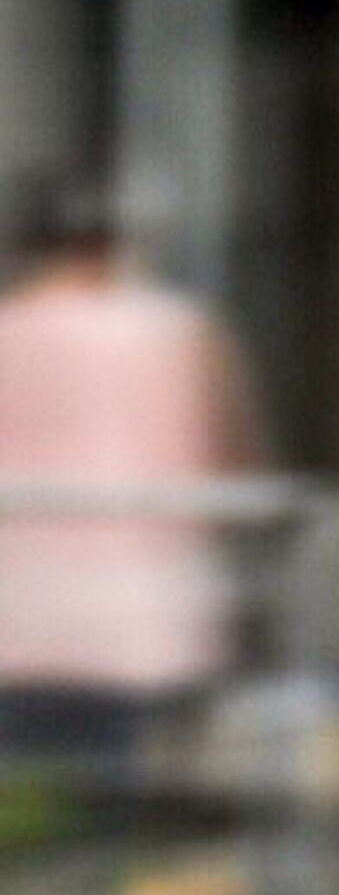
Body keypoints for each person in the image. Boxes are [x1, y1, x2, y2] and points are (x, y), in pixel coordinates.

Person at [0, 169, 264, 765]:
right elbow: (230, 469)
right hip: (144, 628)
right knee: (124, 817)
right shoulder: (184, 334)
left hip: (14, 625)